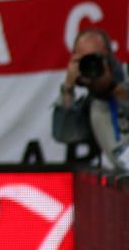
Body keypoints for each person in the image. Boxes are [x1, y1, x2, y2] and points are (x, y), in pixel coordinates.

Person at [53, 28, 129, 172]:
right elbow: (65, 134)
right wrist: (68, 88)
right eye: (84, 60)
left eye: (96, 58)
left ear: (109, 56)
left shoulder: (126, 76)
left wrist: (112, 87)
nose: (92, 65)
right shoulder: (91, 104)